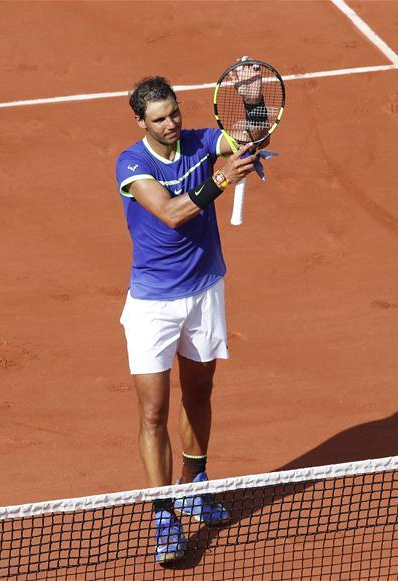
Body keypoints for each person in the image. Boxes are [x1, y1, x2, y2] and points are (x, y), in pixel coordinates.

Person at [114, 72, 268, 563]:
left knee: (200, 391)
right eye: (160, 118)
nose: (171, 124)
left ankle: (194, 482)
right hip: (154, 306)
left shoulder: (200, 141)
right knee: (153, 412)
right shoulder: (132, 164)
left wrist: (252, 99)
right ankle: (164, 513)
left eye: (175, 113)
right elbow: (172, 212)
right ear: (141, 122)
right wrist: (222, 179)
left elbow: (252, 137)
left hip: (205, 293)